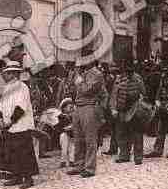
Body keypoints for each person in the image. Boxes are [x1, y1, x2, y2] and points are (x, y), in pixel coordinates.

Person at [0, 61, 39, 189]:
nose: (6, 75)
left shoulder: (22, 87)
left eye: (8, 73)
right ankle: (16, 176)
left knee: (24, 152)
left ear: (15, 74)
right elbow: (1, 106)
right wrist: (0, 118)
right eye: (6, 73)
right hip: (8, 126)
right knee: (12, 152)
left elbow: (21, 108)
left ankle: (28, 178)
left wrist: (10, 121)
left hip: (21, 125)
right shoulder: (6, 88)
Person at [68, 50, 107, 178]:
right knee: (78, 138)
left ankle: (89, 167)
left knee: (90, 139)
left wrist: (79, 80)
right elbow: (73, 90)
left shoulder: (97, 74)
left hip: (89, 106)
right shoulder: (83, 73)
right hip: (78, 107)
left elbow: (87, 90)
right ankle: (79, 164)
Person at [110, 58, 146, 165]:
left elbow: (143, 92)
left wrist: (140, 102)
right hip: (121, 109)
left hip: (134, 108)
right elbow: (114, 94)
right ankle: (124, 155)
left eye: (130, 70)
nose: (128, 72)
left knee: (137, 133)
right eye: (126, 70)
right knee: (121, 133)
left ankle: (138, 157)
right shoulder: (119, 79)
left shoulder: (138, 78)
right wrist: (113, 108)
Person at [58, 98, 75, 168]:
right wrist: (66, 128)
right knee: (64, 148)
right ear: (64, 108)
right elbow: (60, 126)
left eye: (71, 107)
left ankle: (72, 160)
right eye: (69, 107)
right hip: (64, 134)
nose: (71, 109)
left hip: (72, 134)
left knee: (72, 147)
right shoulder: (61, 116)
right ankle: (63, 161)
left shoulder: (73, 116)